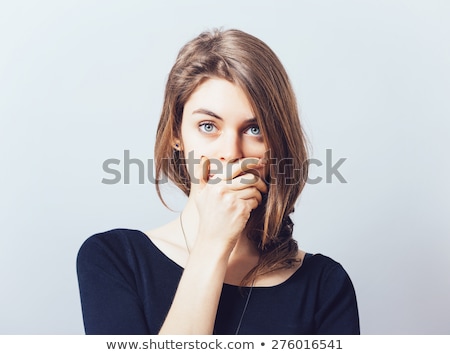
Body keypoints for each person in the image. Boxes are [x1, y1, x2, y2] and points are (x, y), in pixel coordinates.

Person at [76, 28, 360, 335]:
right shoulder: (114, 259)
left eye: (255, 130)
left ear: (278, 144)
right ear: (176, 134)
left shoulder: (324, 285)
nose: (231, 153)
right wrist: (213, 243)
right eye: (208, 126)